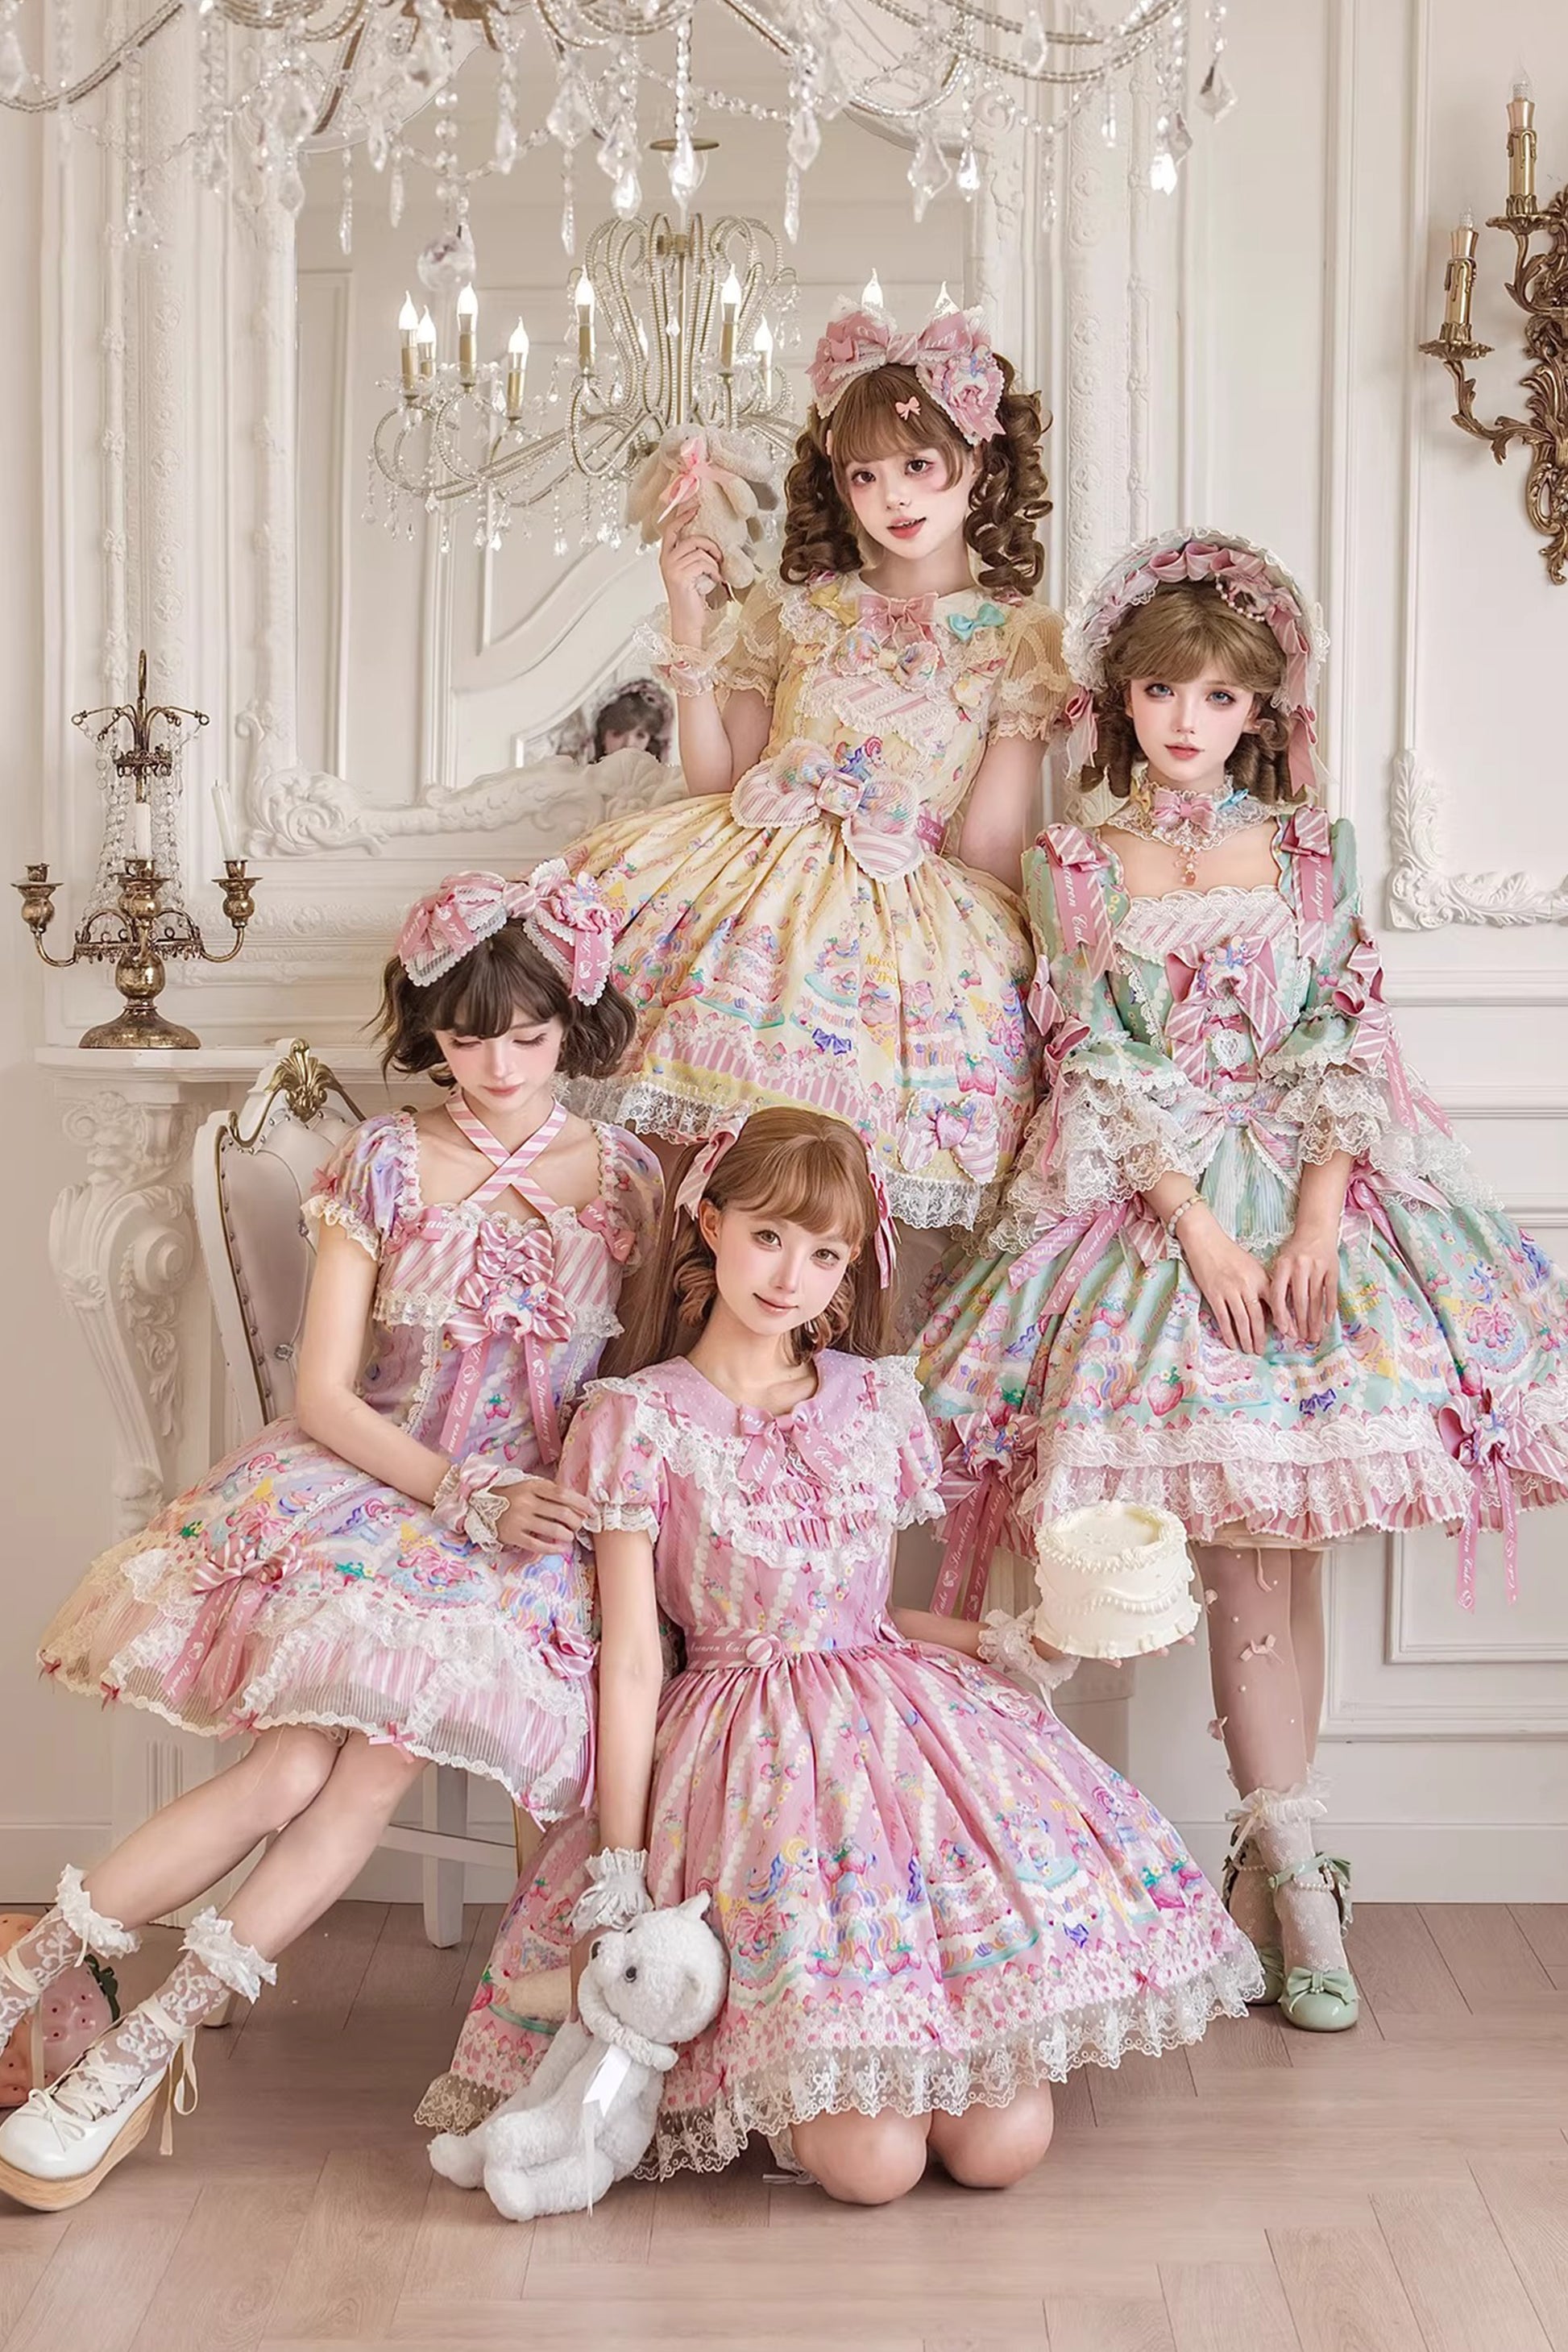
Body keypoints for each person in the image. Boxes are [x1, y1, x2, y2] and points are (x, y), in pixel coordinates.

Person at [918, 530, 1568, 2034]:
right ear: (1121, 700)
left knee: (1292, 1540)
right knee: (1211, 1549)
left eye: (1218, 695)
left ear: (1259, 708)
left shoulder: (1313, 849)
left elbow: (1344, 1030)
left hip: (1318, 1206)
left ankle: (1285, 1854)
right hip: (1153, 1215)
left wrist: (1317, 1215)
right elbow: (1090, 1055)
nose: (1188, 719)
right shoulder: (1073, 863)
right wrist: (1201, 1229)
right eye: (1163, 690)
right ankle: (1252, 1873)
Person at [418, 1107, 1257, 2205]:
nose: (791, 1276)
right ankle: (801, 2079)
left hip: (900, 1728)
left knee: (1003, 2148)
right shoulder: (635, 1418)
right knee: (872, 2166)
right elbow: (629, 1660)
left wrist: (1005, 1641)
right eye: (768, 1237)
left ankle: (909, 2049)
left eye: (825, 1253)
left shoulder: (877, 1398)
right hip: (739, 1750)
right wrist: (618, 1868)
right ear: (710, 1224)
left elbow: (866, 1614)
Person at [0, 864, 662, 2209]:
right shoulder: (386, 1160)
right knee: (289, 1766)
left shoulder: (631, 1177)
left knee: (359, 1774)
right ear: (432, 1031)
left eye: (528, 1035)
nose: (497, 1065)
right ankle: (26, 1986)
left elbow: (640, 1380)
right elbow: (321, 1392)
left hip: (536, 1535)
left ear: (573, 1026)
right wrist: (457, 1490)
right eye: (467, 1037)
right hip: (382, 1485)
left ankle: (141, 2048)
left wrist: (547, 1508)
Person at [554, 296, 1070, 1228]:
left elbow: (990, 843)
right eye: (864, 474)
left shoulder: (1018, 637)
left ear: (979, 460)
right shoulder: (795, 609)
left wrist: (1014, 971)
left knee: (827, 1179)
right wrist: (688, 620)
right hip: (745, 880)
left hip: (903, 904)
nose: (893, 498)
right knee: (691, 1164)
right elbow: (719, 783)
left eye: (917, 466)